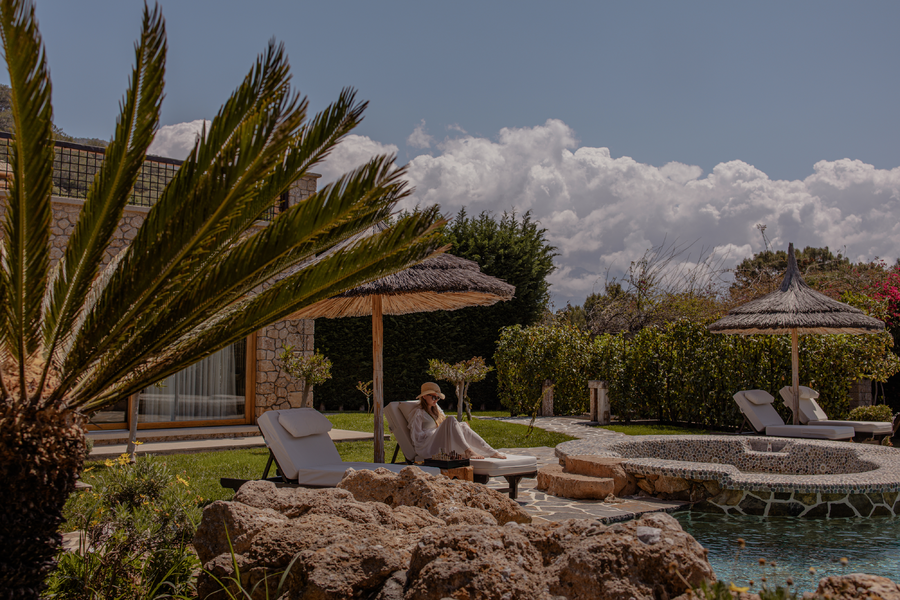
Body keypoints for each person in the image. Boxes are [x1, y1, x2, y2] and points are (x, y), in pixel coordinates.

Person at [409, 382, 506, 460]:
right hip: (427, 447)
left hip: (439, 441)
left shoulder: (436, 409)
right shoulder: (418, 413)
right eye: (434, 397)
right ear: (424, 396)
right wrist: (435, 433)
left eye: (438, 398)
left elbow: (445, 426)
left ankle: (492, 452)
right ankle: (468, 451)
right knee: (451, 419)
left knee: (462, 425)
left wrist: (457, 427)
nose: (436, 400)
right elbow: (417, 438)